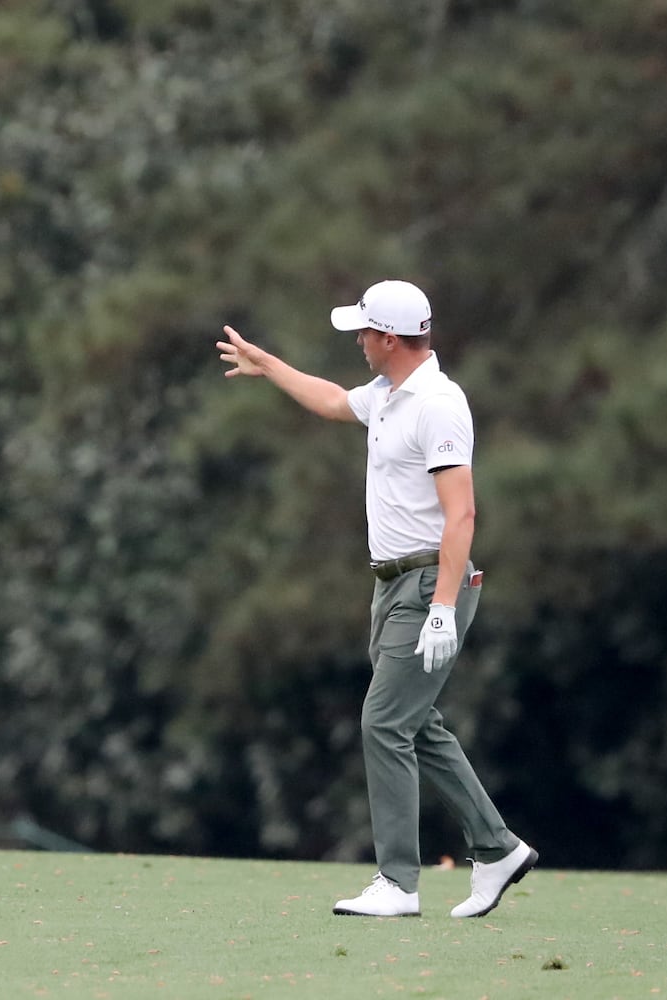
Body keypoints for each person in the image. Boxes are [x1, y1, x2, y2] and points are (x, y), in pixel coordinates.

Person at [215, 279, 536, 918]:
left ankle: (398, 882)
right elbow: (335, 402)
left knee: (383, 722)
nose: (357, 341)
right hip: (392, 585)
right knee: (416, 724)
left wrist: (443, 604)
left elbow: (463, 513)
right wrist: (269, 365)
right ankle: (498, 849)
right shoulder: (388, 395)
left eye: (363, 332)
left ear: (389, 338)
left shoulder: (438, 403)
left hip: (428, 585)